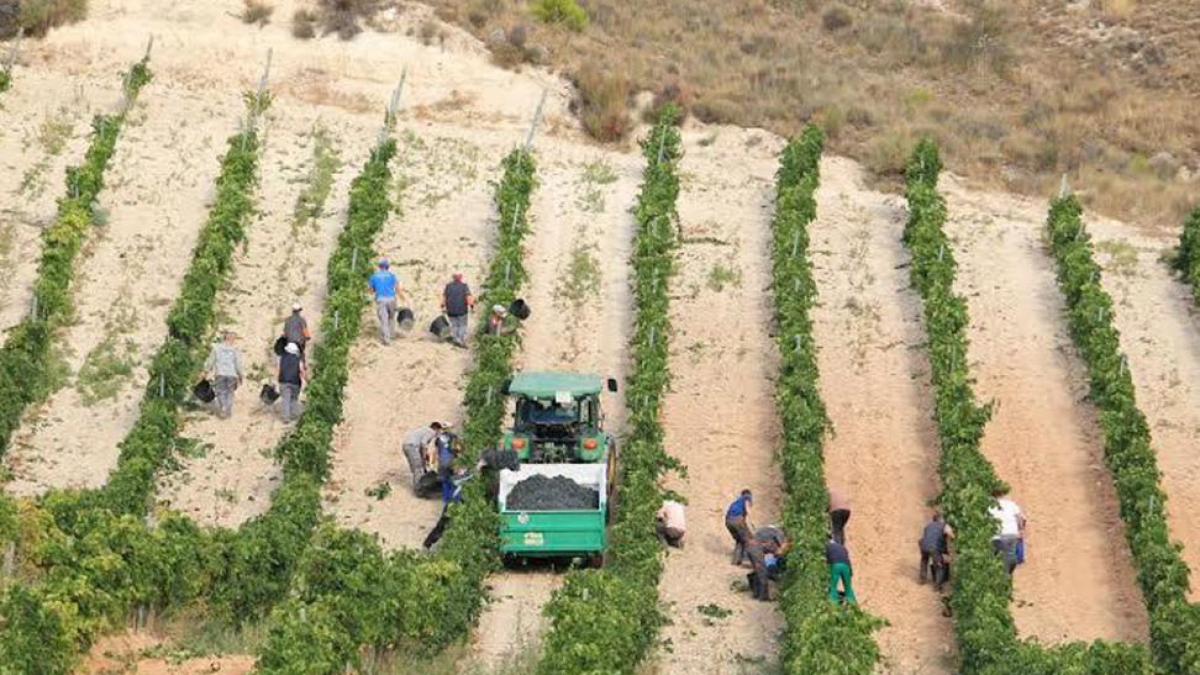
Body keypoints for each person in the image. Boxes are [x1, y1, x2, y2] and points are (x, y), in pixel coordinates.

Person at [204, 330, 243, 418]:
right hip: (232, 374)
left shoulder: (216, 348)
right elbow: (238, 364)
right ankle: (227, 409)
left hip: (220, 373)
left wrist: (206, 370)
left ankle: (223, 408)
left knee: (221, 392)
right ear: (231, 339)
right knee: (230, 392)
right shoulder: (235, 350)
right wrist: (240, 375)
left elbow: (210, 361)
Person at [368, 258, 408, 345]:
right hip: (391, 299)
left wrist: (375, 289)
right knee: (391, 318)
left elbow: (371, 290)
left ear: (379, 266)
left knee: (384, 320)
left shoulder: (374, 276)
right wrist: (403, 298)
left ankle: (387, 340)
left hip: (381, 299)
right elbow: (397, 289)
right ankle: (392, 335)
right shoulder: (392, 276)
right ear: (388, 267)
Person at [988, 487, 1026, 575]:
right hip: (1011, 535)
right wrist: (1020, 530)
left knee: (995, 558)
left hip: (996, 536)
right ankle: (1006, 575)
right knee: (1010, 557)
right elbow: (1022, 519)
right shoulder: (1011, 504)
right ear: (1003, 494)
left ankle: (998, 576)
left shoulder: (989, 506)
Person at [745, 526, 788, 601]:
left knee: (758, 571)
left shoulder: (769, 531)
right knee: (763, 573)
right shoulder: (779, 534)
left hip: (750, 548)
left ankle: (755, 594)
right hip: (756, 550)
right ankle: (763, 597)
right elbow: (781, 550)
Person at [401, 421, 444, 493]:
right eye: (439, 430)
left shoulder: (424, 429)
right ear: (436, 428)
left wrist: (424, 456)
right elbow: (423, 443)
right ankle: (419, 489)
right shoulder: (431, 432)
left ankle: (420, 484)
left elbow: (421, 446)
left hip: (407, 445)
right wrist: (424, 456)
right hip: (412, 446)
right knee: (418, 467)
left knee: (417, 466)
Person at [918, 511, 955, 592]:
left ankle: (922, 579)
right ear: (941, 519)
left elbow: (928, 536)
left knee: (924, 560)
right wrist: (953, 537)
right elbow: (951, 535)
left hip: (923, 545)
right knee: (940, 566)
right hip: (934, 547)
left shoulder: (928, 525)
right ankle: (937, 586)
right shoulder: (944, 525)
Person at [441, 272, 474, 347]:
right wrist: (472, 306)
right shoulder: (464, 286)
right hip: (462, 310)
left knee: (454, 325)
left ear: (453, 277)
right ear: (461, 277)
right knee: (462, 325)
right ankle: (460, 339)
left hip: (450, 311)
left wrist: (443, 307)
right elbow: (468, 298)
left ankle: (456, 338)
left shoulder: (448, 286)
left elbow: (444, 298)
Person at [277, 342, 306, 422]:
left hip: (283, 382)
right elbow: (302, 371)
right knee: (293, 399)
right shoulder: (298, 360)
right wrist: (305, 379)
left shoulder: (282, 358)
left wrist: (278, 379)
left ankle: (286, 417)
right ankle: (293, 415)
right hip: (295, 382)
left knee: (286, 399)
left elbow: (279, 370)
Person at [725, 489, 754, 565]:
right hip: (737, 520)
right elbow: (747, 509)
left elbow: (743, 520)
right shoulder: (746, 498)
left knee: (740, 540)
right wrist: (752, 522)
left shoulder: (737, 502)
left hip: (728, 522)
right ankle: (748, 560)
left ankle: (736, 561)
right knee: (749, 539)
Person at [827, 535, 857, 604]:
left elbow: (826, 559)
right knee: (848, 588)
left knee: (833, 586)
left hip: (835, 565)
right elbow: (847, 559)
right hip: (846, 566)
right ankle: (853, 605)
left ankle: (833, 604)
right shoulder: (843, 547)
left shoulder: (827, 547)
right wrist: (850, 572)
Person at [435, 426, 460, 503]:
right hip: (451, 462)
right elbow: (458, 448)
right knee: (454, 481)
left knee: (445, 482)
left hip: (442, 462)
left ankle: (446, 500)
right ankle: (455, 500)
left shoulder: (438, 438)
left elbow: (436, 451)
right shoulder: (454, 437)